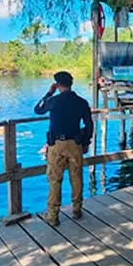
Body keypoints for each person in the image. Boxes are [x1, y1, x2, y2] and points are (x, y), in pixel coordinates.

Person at [34, 71, 94, 226]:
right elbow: (89, 124)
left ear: (57, 85)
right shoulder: (81, 102)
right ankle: (77, 210)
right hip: (75, 143)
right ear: (71, 84)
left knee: (55, 179)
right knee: (76, 177)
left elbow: (38, 110)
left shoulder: (54, 101)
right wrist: (86, 142)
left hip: (57, 144)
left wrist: (49, 93)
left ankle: (53, 215)